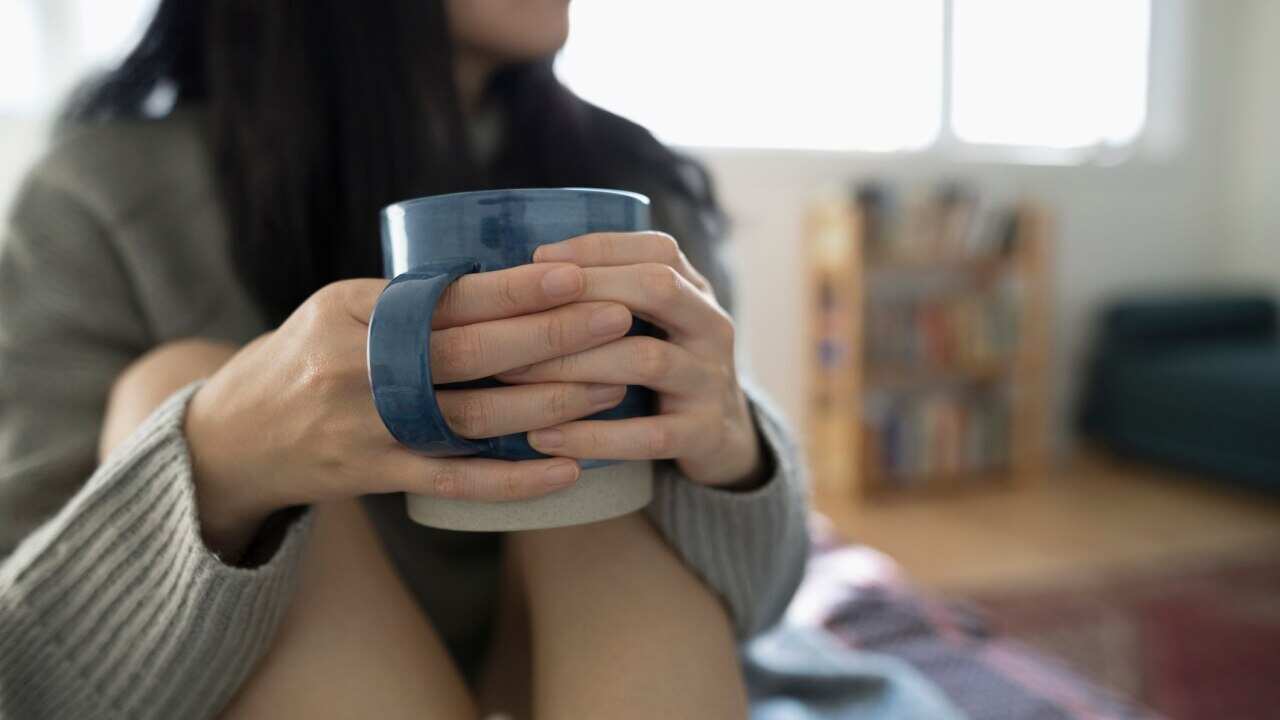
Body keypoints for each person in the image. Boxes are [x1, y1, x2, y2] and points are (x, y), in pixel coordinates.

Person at [0, 1, 808, 717]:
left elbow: (760, 608)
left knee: (602, 418)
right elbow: (28, 684)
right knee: (173, 387)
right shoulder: (102, 198)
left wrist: (734, 454)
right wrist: (220, 470)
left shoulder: (633, 183)